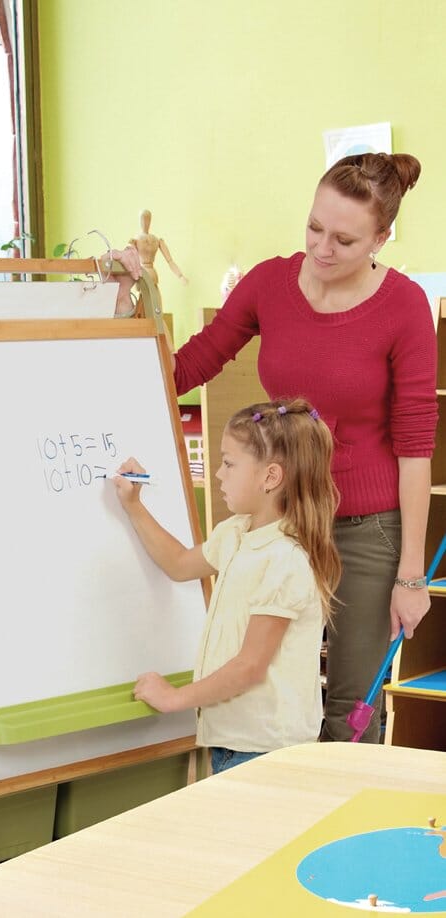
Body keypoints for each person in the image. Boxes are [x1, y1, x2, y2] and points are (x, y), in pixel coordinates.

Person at [116, 152, 439, 743]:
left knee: (349, 711)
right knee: (264, 692)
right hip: (281, 525)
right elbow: (185, 367)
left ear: (382, 238)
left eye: (344, 239)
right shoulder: (269, 283)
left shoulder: (405, 306)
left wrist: (411, 577)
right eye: (315, 227)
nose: (322, 248)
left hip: (365, 531)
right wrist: (127, 302)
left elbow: (416, 444)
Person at [113, 398, 341, 774]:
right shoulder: (236, 533)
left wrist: (175, 698)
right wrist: (134, 506)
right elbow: (179, 564)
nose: (218, 474)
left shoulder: (284, 558)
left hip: (266, 748)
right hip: (234, 739)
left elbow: (250, 666)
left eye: (229, 463)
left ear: (270, 477)